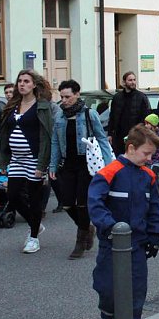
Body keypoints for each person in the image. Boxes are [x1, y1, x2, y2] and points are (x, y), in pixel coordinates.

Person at [88, 124, 159, 319]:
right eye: (146, 153)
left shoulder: (148, 176)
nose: (150, 158)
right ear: (131, 148)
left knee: (135, 290)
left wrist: (155, 235)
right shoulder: (109, 173)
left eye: (152, 154)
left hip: (138, 246)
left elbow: (155, 207)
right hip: (111, 245)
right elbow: (95, 204)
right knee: (107, 287)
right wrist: (110, 227)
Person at [49, 79, 113, 259]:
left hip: (86, 164)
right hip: (66, 165)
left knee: (82, 203)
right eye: (61, 97)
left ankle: (79, 241)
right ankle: (87, 228)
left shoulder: (89, 114)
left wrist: (109, 167)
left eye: (67, 96)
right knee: (68, 204)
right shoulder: (59, 116)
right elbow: (55, 141)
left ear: (77, 95)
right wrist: (53, 164)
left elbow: (101, 139)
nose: (64, 100)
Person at [0, 70, 53, 254]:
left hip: (34, 159)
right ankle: (34, 223)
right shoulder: (12, 106)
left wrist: (42, 165)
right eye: (19, 81)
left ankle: (33, 237)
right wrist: (3, 162)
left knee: (34, 199)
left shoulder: (42, 106)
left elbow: (46, 136)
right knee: (12, 195)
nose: (22, 84)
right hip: (16, 159)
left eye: (26, 81)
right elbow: (3, 135)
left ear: (34, 85)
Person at [107, 71, 150, 157]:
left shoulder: (141, 97)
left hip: (135, 135)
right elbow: (112, 117)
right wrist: (110, 134)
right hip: (119, 137)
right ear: (124, 82)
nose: (133, 82)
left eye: (134, 80)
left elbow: (146, 117)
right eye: (130, 80)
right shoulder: (117, 97)